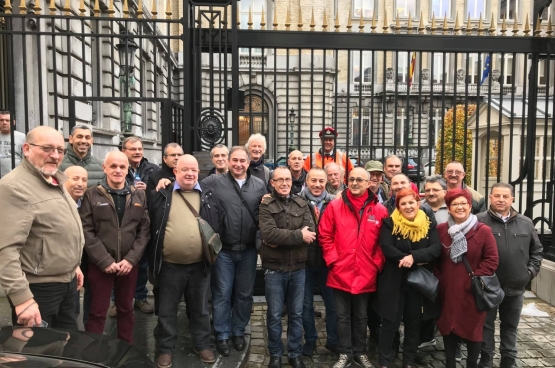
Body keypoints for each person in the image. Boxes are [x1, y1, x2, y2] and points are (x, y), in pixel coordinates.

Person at [0, 126, 84, 329]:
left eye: (60, 150)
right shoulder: (14, 187)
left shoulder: (55, 179)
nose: (55, 156)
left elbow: (55, 230)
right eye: (47, 149)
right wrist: (22, 299)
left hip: (68, 282)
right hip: (39, 290)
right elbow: (5, 249)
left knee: (65, 347)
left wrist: (74, 266)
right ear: (27, 149)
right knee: (40, 354)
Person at [148, 155, 215, 367]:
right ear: (175, 171)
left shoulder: (208, 196)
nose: (189, 174)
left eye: (193, 170)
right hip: (169, 266)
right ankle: (166, 349)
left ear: (199, 173)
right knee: (167, 310)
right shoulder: (160, 194)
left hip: (199, 267)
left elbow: (218, 223)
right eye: (184, 169)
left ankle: (202, 344)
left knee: (200, 310)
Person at [319, 167, 388, 368]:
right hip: (341, 271)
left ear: (368, 183)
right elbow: (325, 235)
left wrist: (376, 263)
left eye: (360, 179)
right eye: (352, 179)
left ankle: (360, 352)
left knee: (361, 316)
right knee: (342, 316)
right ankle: (345, 353)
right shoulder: (335, 206)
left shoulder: (380, 210)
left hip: (366, 272)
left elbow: (384, 243)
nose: (355, 183)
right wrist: (333, 260)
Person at [80, 151, 150, 343]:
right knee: (97, 312)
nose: (118, 170)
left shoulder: (138, 196)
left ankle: (125, 348)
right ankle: (93, 352)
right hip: (100, 264)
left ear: (128, 169)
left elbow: (144, 230)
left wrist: (131, 259)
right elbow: (86, 231)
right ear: (105, 168)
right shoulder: (91, 195)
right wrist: (104, 260)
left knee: (126, 309)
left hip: (129, 264)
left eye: (122, 166)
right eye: (113, 166)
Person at [202, 146, 267, 356]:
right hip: (224, 250)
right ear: (228, 162)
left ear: (249, 163)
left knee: (244, 294)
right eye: (235, 160)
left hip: (248, 251)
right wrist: (165, 182)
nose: (238, 164)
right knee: (221, 294)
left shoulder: (259, 185)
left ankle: (238, 331)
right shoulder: (214, 183)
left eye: (243, 161)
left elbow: (264, 213)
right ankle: (222, 333)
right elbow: (189, 187)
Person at [477, 183, 543, 368]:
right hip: (488, 286)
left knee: (510, 326)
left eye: (505, 196)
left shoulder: (526, 223)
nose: (501, 199)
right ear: (490, 197)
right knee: (486, 324)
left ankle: (508, 358)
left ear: (512, 199)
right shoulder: (479, 221)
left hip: (515, 286)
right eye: (497, 196)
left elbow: (537, 251)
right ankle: (486, 357)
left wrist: (528, 273)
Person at [376, 188, 441, 368]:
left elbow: (436, 249)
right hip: (393, 281)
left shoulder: (428, 224)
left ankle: (409, 361)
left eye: (411, 202)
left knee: (414, 324)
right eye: (403, 203)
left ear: (418, 203)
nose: (408, 206)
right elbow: (387, 247)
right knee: (390, 323)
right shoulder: (390, 223)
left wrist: (413, 257)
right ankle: (384, 361)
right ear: (398, 206)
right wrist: (413, 259)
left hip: (417, 284)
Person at [259, 166, 316, 368]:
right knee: (274, 314)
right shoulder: (266, 204)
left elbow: (311, 234)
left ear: (292, 182)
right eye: (279, 180)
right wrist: (298, 235)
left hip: (298, 268)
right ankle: (275, 353)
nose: (284, 183)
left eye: (288, 180)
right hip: (274, 268)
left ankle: (295, 353)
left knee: (296, 313)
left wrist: (286, 237)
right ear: (272, 183)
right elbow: (269, 234)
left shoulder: (302, 204)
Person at [436, 189, 499, 368]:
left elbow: (492, 260)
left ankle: (472, 363)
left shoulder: (483, 231)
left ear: (470, 206)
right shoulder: (441, 230)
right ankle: (450, 364)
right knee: (449, 328)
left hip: (472, 291)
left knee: (473, 330)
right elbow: (435, 259)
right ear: (448, 209)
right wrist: (441, 280)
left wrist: (475, 280)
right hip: (447, 291)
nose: (460, 207)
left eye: (463, 203)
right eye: (455, 204)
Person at [117, 136, 159, 316]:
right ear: (123, 151)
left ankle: (141, 297)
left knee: (141, 264)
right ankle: (116, 300)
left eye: (140, 149)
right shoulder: (117, 167)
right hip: (121, 221)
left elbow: (159, 196)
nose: (137, 152)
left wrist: (146, 191)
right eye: (133, 149)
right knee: (118, 261)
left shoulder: (153, 170)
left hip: (144, 221)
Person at [299, 168, 338, 356]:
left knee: (333, 304)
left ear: (326, 182)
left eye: (321, 181)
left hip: (328, 263)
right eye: (313, 180)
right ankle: (311, 340)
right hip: (304, 262)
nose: (317, 184)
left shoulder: (334, 203)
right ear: (306, 181)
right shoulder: (297, 201)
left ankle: (333, 340)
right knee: (305, 305)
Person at [63, 166, 90, 324]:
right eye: (75, 179)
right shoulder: (59, 203)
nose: (80, 183)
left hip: (84, 261)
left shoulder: (86, 202)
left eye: (84, 180)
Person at [0, 110, 25, 178]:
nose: (4, 122)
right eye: (1, 120)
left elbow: (26, 158)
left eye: (7, 120)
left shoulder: (21, 137)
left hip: (15, 176)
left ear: (13, 122)